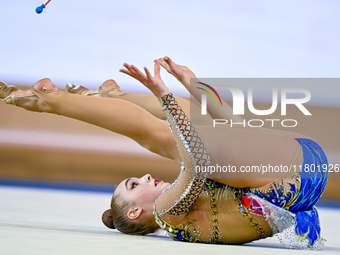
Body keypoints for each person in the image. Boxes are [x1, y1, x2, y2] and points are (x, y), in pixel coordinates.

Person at [0, 57, 328, 249]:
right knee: (169, 135)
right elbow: (196, 161)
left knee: (193, 128)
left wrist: (193, 83)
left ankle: (106, 97)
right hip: (294, 178)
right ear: (133, 214)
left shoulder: (185, 205)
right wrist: (165, 94)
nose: (144, 177)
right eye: (132, 185)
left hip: (303, 170)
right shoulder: (166, 214)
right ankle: (54, 102)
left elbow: (232, 129)